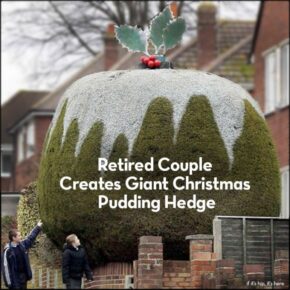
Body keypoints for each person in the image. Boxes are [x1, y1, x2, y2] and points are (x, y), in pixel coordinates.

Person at [1, 220, 43, 289]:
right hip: (14, 281)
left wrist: (38, 227)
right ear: (14, 238)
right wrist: (9, 283)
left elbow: (30, 238)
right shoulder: (8, 251)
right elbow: (6, 269)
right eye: (19, 235)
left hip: (23, 278)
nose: (21, 236)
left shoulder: (22, 245)